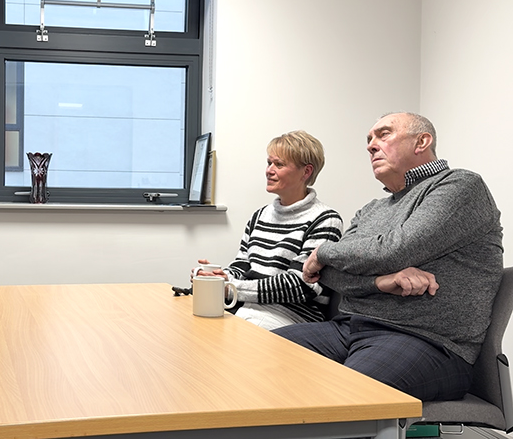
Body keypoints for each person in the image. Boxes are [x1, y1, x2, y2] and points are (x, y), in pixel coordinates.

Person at [274, 112, 503, 402]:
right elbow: (329, 276)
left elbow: (395, 249)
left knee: (342, 398)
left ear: (422, 141)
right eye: (369, 140)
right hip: (350, 327)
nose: (371, 146)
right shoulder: (372, 209)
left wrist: (323, 252)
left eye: (383, 134)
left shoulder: (460, 186)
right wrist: (382, 282)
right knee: (263, 358)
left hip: (428, 342)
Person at [193, 130, 343, 330]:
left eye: (279, 164)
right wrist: (215, 278)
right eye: (269, 163)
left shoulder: (326, 220)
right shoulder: (260, 215)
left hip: (290, 317)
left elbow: (300, 285)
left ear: (306, 172)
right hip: (245, 308)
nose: (269, 170)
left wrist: (230, 286)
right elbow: (242, 266)